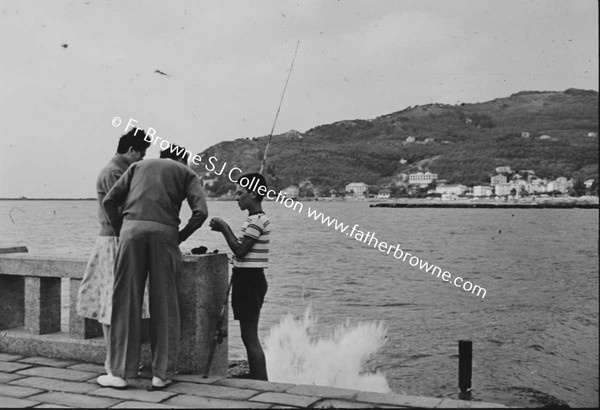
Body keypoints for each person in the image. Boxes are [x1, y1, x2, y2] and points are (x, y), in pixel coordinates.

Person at [97, 144, 208, 389]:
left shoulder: (137, 166)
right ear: (182, 159)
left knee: (125, 300)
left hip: (130, 231)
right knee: (165, 303)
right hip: (165, 234)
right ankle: (162, 374)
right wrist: (179, 236)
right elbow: (201, 212)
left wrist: (121, 229)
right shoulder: (186, 172)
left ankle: (119, 374)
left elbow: (109, 200)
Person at [76, 127, 151, 375]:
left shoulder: (119, 170)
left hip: (116, 240)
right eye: (141, 153)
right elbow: (118, 212)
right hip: (114, 241)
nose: (142, 159)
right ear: (131, 150)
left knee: (116, 302)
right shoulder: (114, 172)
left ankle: (118, 360)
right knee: (113, 302)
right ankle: (114, 361)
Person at [209, 172, 270, 381]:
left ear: (253, 194)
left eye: (240, 193)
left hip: (250, 281)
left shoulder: (258, 221)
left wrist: (224, 228)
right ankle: (257, 378)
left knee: (250, 336)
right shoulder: (254, 219)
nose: (237, 197)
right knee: (247, 335)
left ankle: (261, 383)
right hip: (249, 280)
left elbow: (240, 250)